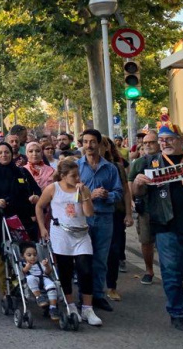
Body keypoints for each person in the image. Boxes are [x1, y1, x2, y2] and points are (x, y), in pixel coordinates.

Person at [132, 124, 183, 332]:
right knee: (172, 274)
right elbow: (137, 192)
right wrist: (139, 184)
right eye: (162, 140)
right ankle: (178, 313)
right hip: (167, 227)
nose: (164, 143)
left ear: (180, 140)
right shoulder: (149, 163)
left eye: (169, 139)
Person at [36, 157, 100, 326]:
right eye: (73, 176)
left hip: (81, 233)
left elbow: (89, 213)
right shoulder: (53, 188)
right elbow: (40, 206)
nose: (77, 178)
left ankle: (87, 308)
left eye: (78, 175)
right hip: (61, 233)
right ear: (63, 176)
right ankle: (70, 304)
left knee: (85, 269)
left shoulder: (83, 189)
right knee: (65, 270)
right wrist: (42, 227)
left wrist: (84, 195)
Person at [0, 141, 41, 301]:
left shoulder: (22, 172)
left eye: (7, 152)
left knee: (21, 258)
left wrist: (35, 197)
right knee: (2, 261)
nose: (4, 155)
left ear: (11, 154)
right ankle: (6, 293)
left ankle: (22, 288)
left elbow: (36, 190)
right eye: (0, 152)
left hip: (21, 223)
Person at [76, 129, 124, 313]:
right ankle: (83, 296)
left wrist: (107, 195)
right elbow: (69, 193)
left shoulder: (110, 168)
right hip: (83, 218)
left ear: (99, 144)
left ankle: (98, 295)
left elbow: (119, 192)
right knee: (83, 259)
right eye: (85, 142)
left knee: (101, 259)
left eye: (92, 142)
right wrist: (90, 194)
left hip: (105, 218)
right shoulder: (76, 167)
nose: (89, 145)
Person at [104, 138, 134, 302]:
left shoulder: (117, 166)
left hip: (115, 213)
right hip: (92, 214)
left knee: (114, 250)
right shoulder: (81, 165)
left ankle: (111, 286)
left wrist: (128, 213)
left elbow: (126, 191)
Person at [129, 131, 160, 284]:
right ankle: (149, 270)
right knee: (146, 241)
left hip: (165, 207)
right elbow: (130, 182)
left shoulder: (167, 160)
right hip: (146, 207)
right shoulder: (139, 163)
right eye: (145, 143)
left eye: (151, 142)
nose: (148, 145)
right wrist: (131, 200)